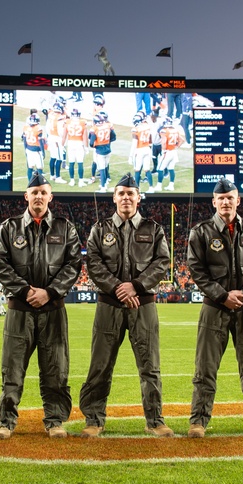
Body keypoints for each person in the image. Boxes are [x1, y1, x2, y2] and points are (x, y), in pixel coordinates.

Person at [78, 173, 173, 438]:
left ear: (138, 198)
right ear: (114, 197)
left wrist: (137, 286)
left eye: (131, 193)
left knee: (149, 366)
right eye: (121, 193)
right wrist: (119, 288)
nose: (126, 197)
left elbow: (162, 262)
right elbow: (93, 262)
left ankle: (155, 420)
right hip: (109, 305)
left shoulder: (154, 229)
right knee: (100, 365)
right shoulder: (100, 228)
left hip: (143, 305)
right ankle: (94, 420)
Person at [0, 173, 82, 439]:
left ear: (50, 197)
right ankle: (6, 422)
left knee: (55, 367)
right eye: (35, 192)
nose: (39, 196)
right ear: (26, 196)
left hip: (52, 309)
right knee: (13, 367)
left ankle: (55, 420)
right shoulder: (9, 227)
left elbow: (73, 264)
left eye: (44, 192)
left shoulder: (66, 228)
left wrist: (49, 292)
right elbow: (1, 263)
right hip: (20, 309)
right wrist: (25, 291)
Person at [186, 178, 243, 437]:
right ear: (214, 202)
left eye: (230, 197)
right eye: (221, 198)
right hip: (214, 307)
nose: (226, 202)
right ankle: (198, 421)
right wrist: (222, 295)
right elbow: (197, 270)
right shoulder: (201, 231)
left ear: (238, 200)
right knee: (206, 366)